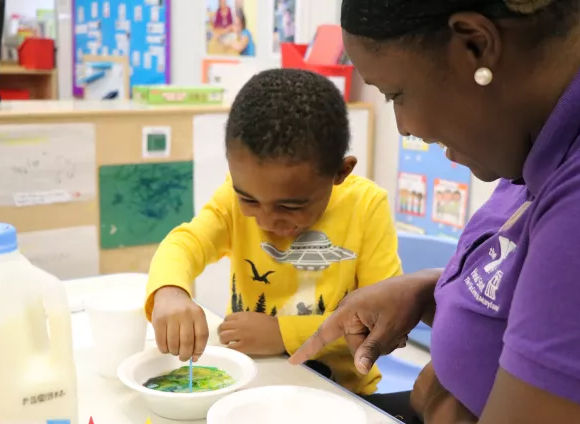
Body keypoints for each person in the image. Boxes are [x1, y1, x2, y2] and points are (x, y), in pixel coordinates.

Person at [290, 0, 580, 424]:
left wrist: (436, 394)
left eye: (396, 93)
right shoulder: (553, 119)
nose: (404, 127)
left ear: (475, 44)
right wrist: (436, 292)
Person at [145, 68, 402, 396]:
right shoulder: (231, 199)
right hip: (251, 386)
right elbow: (185, 243)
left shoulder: (366, 207)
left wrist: (285, 334)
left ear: (340, 172)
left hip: (342, 395)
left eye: (290, 207)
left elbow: (383, 319)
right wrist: (170, 291)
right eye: (248, 198)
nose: (265, 221)